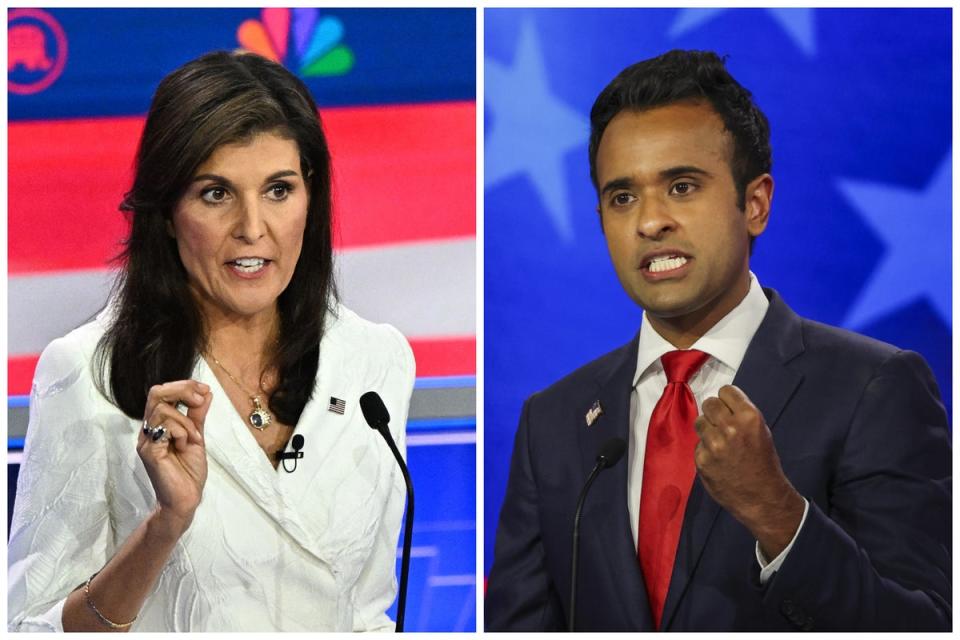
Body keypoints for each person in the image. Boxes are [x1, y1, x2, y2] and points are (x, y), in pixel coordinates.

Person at [485, 50, 951, 631]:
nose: (650, 222)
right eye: (622, 197)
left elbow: (922, 624)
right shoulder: (552, 422)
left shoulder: (874, 388)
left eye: (682, 186)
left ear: (754, 204)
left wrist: (779, 515)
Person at [8, 51, 415, 632]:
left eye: (278, 190)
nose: (253, 227)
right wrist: (163, 527)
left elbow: (368, 611)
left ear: (311, 197)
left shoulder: (377, 360)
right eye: (216, 194)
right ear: (168, 213)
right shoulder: (88, 374)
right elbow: (30, 629)